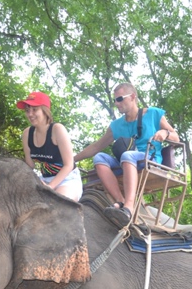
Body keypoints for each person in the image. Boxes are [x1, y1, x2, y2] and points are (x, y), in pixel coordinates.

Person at [73, 83, 178, 227]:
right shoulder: (116, 125)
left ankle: (130, 206)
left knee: (128, 155)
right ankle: (120, 201)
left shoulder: (153, 114)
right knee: (99, 158)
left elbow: (176, 137)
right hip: (125, 162)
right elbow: (96, 146)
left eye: (120, 99)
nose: (117, 103)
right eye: (115, 100)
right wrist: (70, 160)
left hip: (148, 158)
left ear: (133, 97)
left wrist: (165, 133)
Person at [17, 91, 82, 201]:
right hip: (44, 180)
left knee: (57, 207)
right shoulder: (27, 134)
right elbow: (30, 165)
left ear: (45, 110)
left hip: (67, 180)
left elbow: (69, 165)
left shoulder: (57, 129)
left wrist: (51, 186)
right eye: (27, 111)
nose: (30, 114)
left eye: (34, 109)